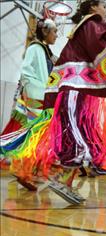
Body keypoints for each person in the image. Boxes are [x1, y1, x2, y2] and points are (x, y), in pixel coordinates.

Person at [1, 19, 58, 191]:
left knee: (40, 136)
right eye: (54, 32)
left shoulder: (47, 52)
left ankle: (31, 171)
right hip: (35, 98)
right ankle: (22, 171)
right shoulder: (35, 48)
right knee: (33, 135)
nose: (56, 35)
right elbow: (26, 71)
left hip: (43, 98)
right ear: (46, 32)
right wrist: (36, 93)